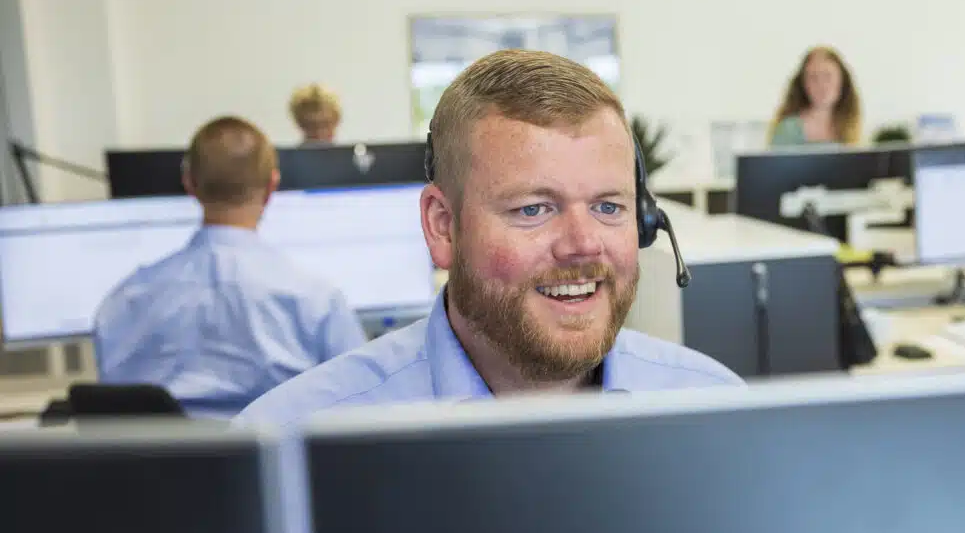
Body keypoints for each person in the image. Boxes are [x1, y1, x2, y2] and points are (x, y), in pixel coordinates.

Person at [237, 50, 741, 429]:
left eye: (608, 207)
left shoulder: (717, 410)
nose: (583, 244)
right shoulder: (293, 439)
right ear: (442, 226)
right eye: (533, 209)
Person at [92, 117, 367, 417]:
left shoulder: (123, 302)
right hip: (276, 447)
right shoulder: (317, 301)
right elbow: (361, 406)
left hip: (159, 450)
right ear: (272, 186)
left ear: (190, 183)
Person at [768, 46, 862, 147]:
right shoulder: (788, 130)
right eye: (813, 77)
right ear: (803, 84)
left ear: (843, 81)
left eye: (828, 76)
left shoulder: (850, 128)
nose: (821, 85)